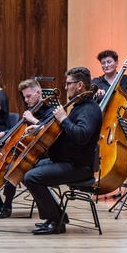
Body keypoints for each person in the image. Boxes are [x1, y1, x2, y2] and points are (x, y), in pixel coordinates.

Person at [23, 67, 102, 235]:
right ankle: (54, 217)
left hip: (78, 167)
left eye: (68, 84)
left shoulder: (89, 109)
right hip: (65, 161)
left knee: (32, 177)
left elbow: (81, 135)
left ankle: (57, 220)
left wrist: (64, 118)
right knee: (27, 168)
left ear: (80, 85)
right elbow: (63, 131)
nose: (65, 87)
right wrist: (40, 127)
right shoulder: (79, 105)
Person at [0, 79, 55, 219]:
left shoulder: (50, 112)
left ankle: (7, 207)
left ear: (38, 92)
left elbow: (49, 132)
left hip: (38, 156)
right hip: (22, 152)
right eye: (24, 97)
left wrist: (33, 120)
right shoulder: (32, 110)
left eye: (28, 96)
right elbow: (19, 131)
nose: (26, 100)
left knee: (10, 168)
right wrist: (4, 133)